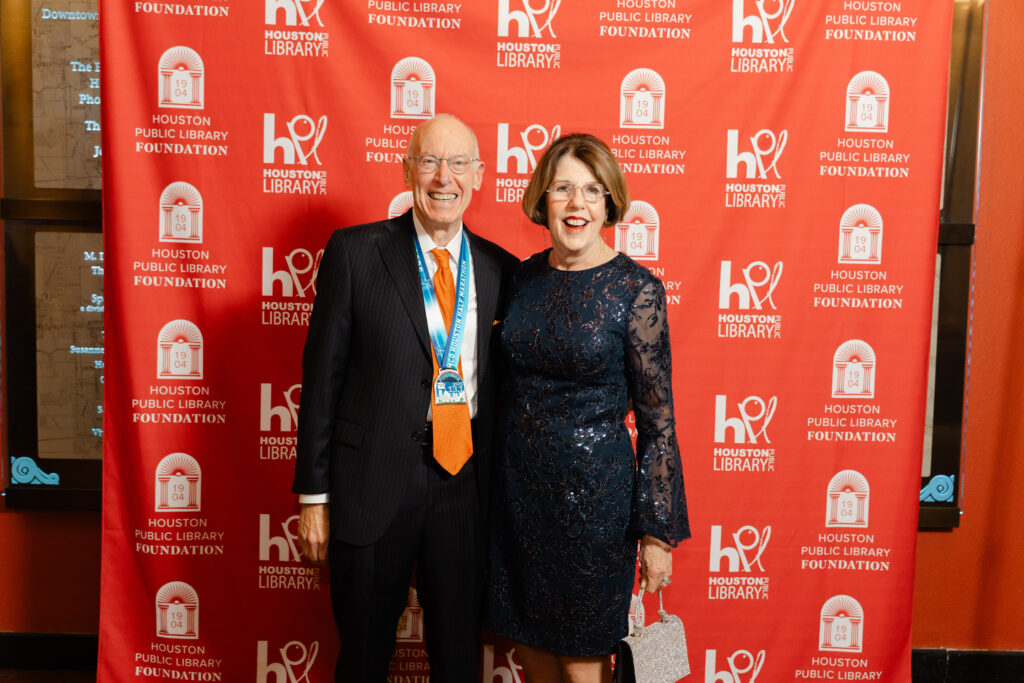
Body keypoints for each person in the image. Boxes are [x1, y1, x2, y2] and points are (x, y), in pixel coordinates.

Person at [293, 113, 518, 681]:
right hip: (371, 484)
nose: (445, 177)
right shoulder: (354, 253)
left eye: (459, 163)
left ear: (481, 175)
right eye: (429, 161)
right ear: (407, 169)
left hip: (463, 485)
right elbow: (322, 381)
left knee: (457, 660)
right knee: (364, 657)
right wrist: (314, 496)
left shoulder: (501, 270)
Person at [486, 133, 690, 682]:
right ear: (542, 200)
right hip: (518, 504)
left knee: (583, 670)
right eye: (563, 189)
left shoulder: (636, 289)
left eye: (591, 191)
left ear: (609, 204)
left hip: (595, 510)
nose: (576, 204)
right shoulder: (522, 278)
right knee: (535, 662)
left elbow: (658, 422)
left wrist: (656, 532)